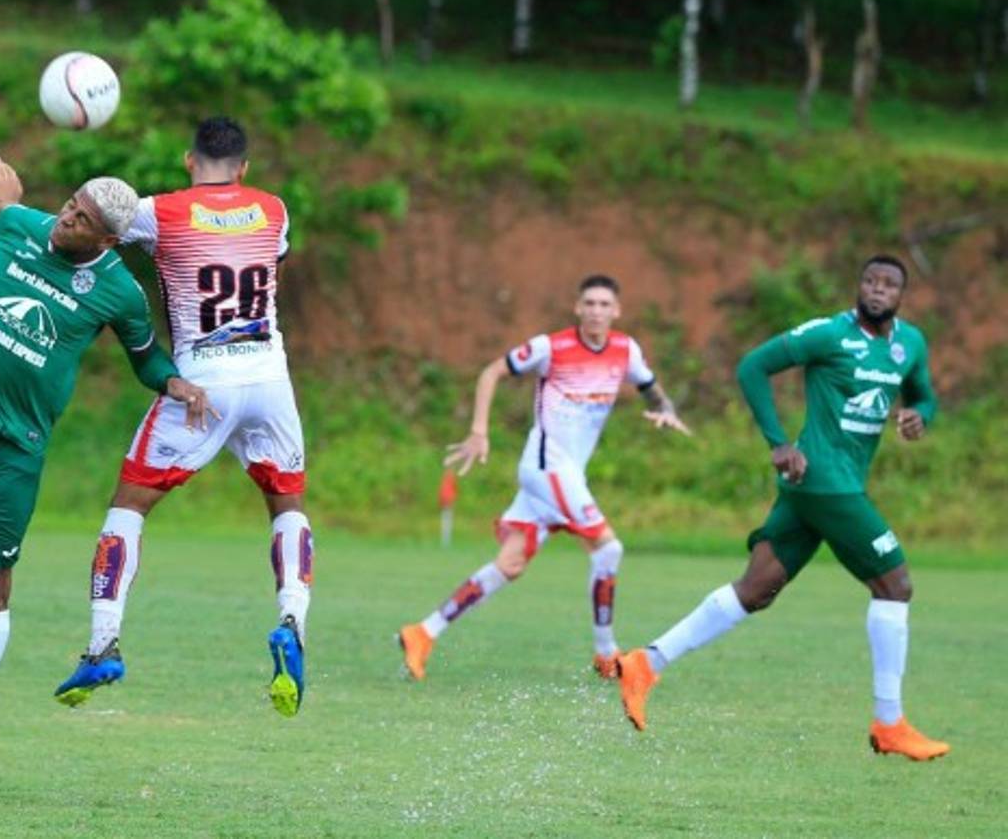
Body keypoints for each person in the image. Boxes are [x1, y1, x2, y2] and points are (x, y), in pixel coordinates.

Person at [0, 155, 207, 802]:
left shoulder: (118, 290)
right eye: (70, 205)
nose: (67, 220)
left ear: (109, 240)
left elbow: (145, 357)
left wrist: (175, 383)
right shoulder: (19, 228)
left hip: (16, 447)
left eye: (83, 220)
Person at [0, 117, 314, 718]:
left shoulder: (161, 212)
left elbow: (89, 224)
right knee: (287, 506)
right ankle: (292, 623)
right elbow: (271, 258)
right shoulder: (274, 210)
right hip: (270, 379)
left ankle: (102, 644)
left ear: (187, 160)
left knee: (129, 506)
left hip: (203, 383)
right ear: (243, 169)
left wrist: (17, 212)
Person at [615, 255, 950, 761]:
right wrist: (777, 442)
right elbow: (753, 366)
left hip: (819, 488)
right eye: (869, 280)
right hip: (824, 482)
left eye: (889, 284)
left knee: (757, 589)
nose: (877, 290)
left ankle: (646, 662)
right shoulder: (829, 335)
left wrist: (919, 416)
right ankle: (890, 723)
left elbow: (924, 396)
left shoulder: (910, 343)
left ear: (902, 295)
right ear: (858, 286)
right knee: (895, 584)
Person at [398, 275, 690, 681]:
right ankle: (607, 653)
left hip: (565, 476)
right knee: (609, 550)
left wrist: (666, 409)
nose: (596, 311)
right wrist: (479, 431)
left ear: (617, 311)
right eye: (589, 303)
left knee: (510, 564)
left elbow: (650, 387)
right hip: (546, 468)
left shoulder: (625, 351)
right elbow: (490, 372)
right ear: (577, 307)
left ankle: (423, 632)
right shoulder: (550, 347)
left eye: (605, 304)